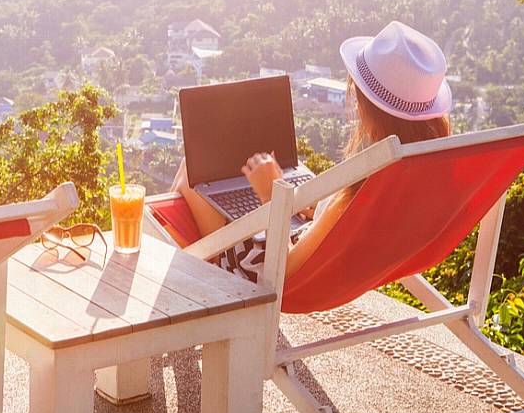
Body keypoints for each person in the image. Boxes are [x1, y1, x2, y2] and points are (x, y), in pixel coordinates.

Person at [171, 21, 453, 279]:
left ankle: (196, 276)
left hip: (264, 270)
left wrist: (273, 195)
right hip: (319, 255)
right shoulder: (421, 173)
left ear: (368, 108)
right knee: (209, 182)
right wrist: (320, 208)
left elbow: (285, 270)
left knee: (191, 173)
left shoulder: (364, 185)